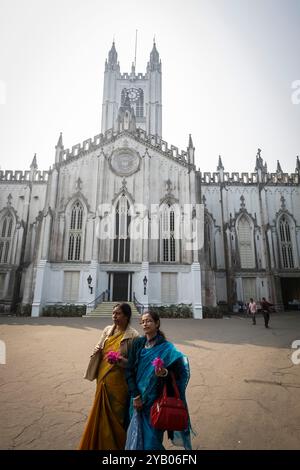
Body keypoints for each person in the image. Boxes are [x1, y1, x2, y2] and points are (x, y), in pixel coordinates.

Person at [125, 311, 192, 450]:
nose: (145, 324)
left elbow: (179, 372)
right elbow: (129, 371)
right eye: (142, 321)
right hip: (137, 400)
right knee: (136, 438)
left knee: (152, 443)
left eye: (148, 321)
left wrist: (165, 372)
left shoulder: (167, 348)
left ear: (157, 323)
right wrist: (135, 395)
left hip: (156, 402)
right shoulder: (137, 344)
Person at [78, 303, 139, 450]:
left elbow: (134, 364)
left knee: (117, 416)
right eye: (113, 313)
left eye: (118, 314)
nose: (114, 317)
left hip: (119, 382)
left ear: (126, 316)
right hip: (103, 377)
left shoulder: (134, 336)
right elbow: (99, 345)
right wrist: (96, 350)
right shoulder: (107, 330)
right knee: (100, 413)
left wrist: (119, 360)